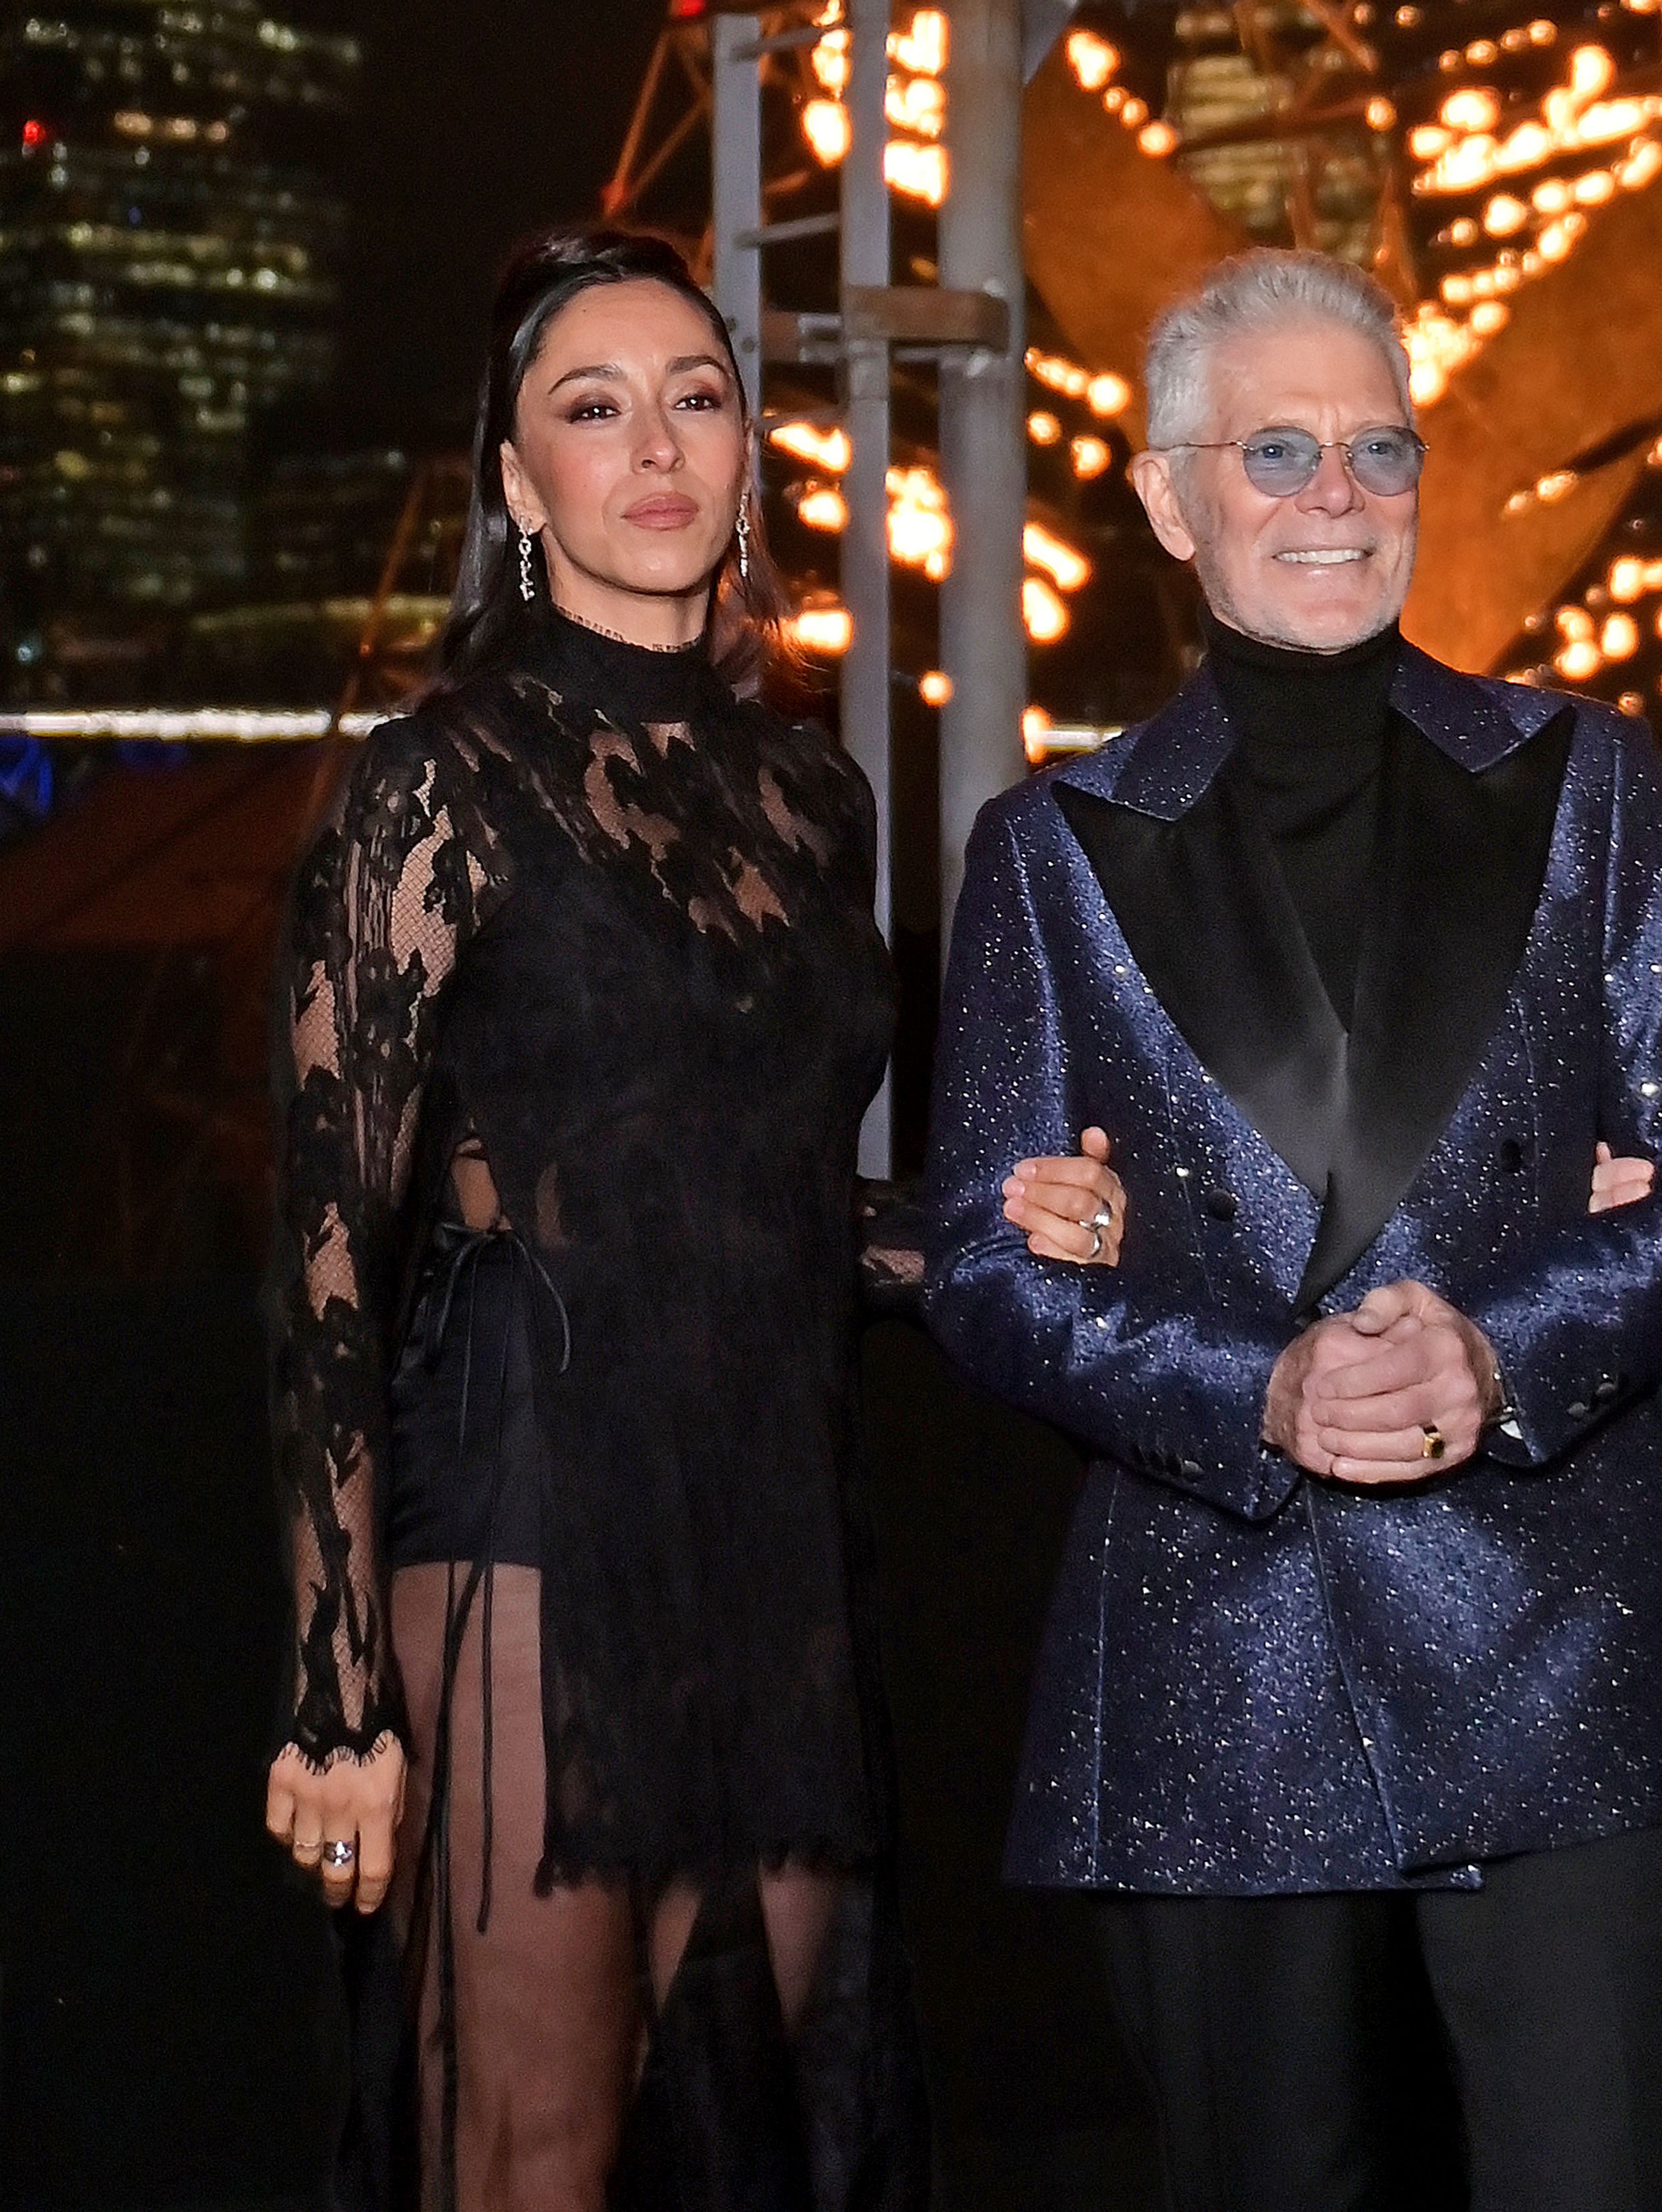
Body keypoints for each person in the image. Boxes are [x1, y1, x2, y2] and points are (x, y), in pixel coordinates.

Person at [257, 223, 1124, 2210]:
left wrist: (1000, 1228)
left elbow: (777, 1204)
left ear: (745, 459)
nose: (655, 446)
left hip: (768, 1520)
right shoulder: (429, 789)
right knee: (534, 2153)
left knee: (759, 2146)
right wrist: (332, 1695)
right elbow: (327, 1260)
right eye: (595, 407)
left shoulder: (811, 802)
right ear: (517, 480)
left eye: (698, 398)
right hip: (530, 1504)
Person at [916, 249, 1662, 2212]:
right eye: (1278, 451)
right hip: (1224, 1651)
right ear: (1172, 498)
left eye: (1379, 449)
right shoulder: (1052, 847)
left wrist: (1496, 1347)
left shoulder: (1585, 776)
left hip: (1568, 1636)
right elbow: (981, 1265)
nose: (1338, 493)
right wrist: (1262, 1383)